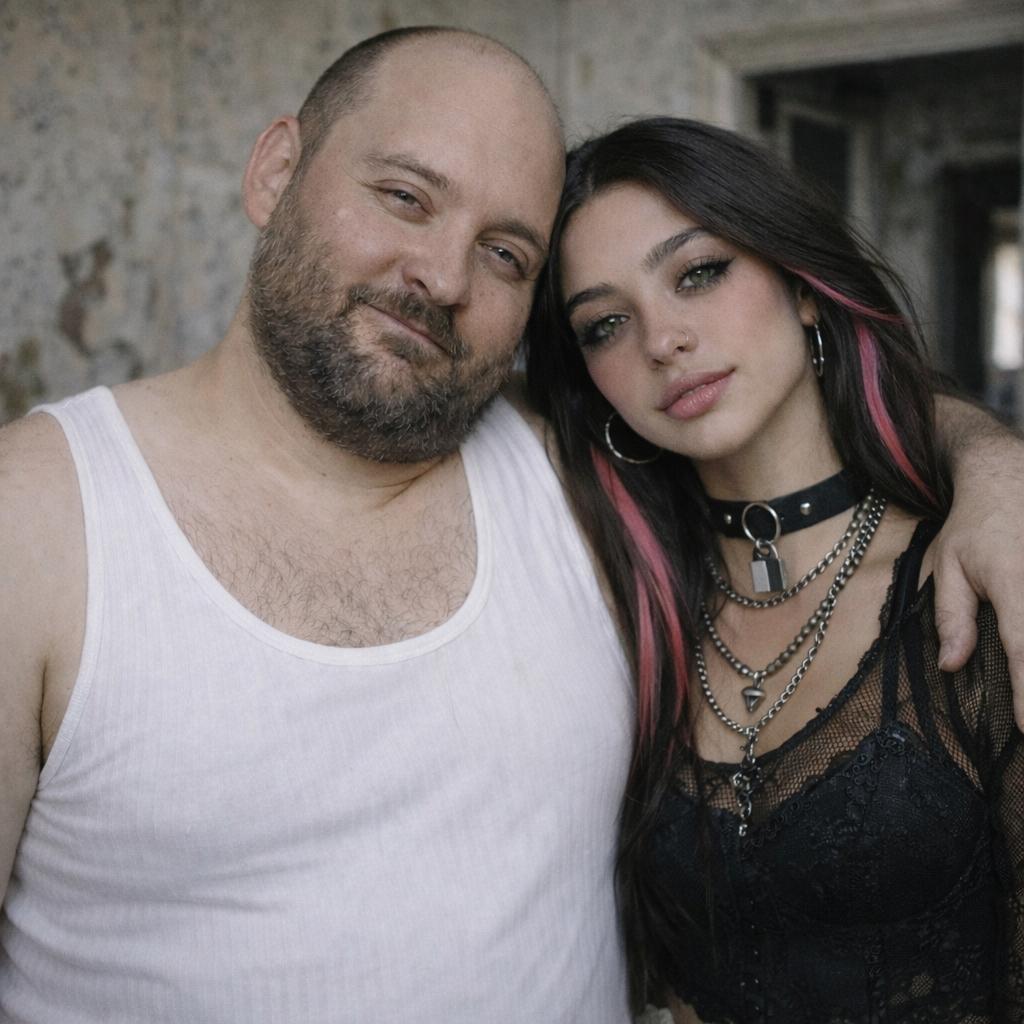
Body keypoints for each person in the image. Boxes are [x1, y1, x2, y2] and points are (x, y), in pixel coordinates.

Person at [0, 27, 1020, 1024]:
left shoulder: (558, 471)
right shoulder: (37, 517)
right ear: (276, 172)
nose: (443, 278)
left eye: (503, 252)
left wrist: (992, 466)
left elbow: (808, 412)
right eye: (405, 196)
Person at [526, 116, 1023, 1022]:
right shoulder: (621, 611)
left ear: (801, 286)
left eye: (698, 273)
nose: (661, 340)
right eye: (605, 324)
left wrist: (994, 460)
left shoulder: (982, 584)